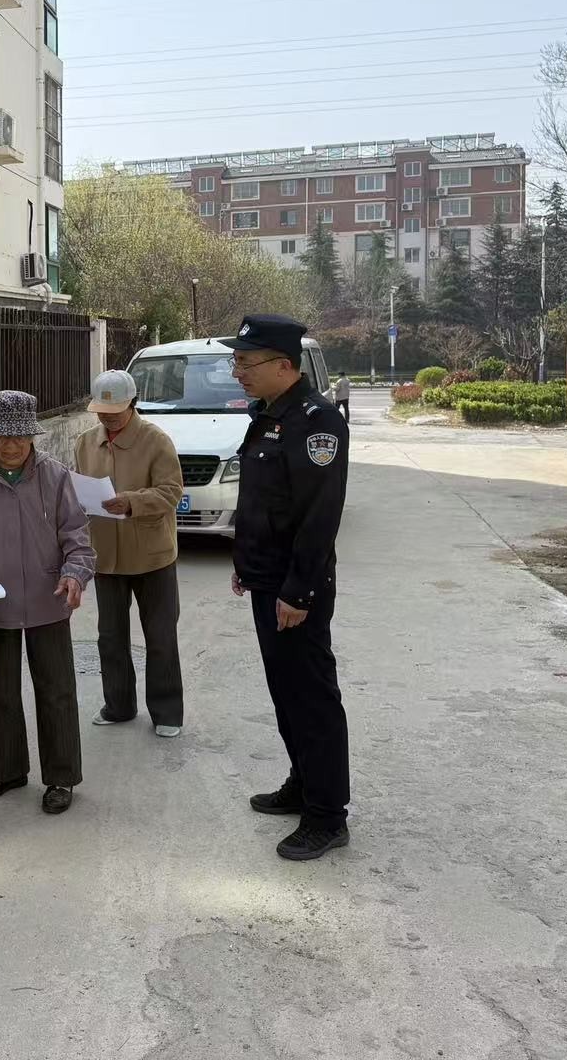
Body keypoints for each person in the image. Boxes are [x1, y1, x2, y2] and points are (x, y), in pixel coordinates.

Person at [227, 315, 352, 862]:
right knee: (285, 693)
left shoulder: (317, 422)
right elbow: (260, 502)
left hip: (296, 590)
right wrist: (246, 564)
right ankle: (303, 784)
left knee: (311, 698)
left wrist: (298, 593)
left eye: (245, 363)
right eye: (236, 361)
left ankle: (327, 816)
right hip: (267, 580)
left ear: (283, 365)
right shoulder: (268, 416)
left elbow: (319, 517)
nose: (238, 372)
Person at [0, 390, 96, 815]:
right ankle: (8, 770)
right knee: (1, 691)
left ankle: (61, 776)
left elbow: (77, 538)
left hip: (49, 599)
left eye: (19, 438)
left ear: (32, 436)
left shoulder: (55, 476)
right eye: (1, 438)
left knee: (57, 690)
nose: (10, 446)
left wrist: (74, 573)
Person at [74, 368, 186, 737]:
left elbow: (171, 491)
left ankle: (167, 713)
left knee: (161, 637)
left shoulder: (156, 441)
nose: (107, 418)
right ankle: (118, 706)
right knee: (110, 637)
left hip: (152, 556)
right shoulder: (85, 443)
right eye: (101, 412)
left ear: (133, 404)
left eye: (115, 412)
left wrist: (133, 502)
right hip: (106, 556)